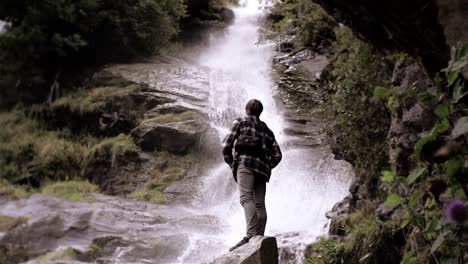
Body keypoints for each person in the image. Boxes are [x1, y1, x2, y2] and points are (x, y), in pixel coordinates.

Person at [222, 99, 282, 252]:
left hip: (245, 164)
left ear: (247, 109)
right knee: (260, 203)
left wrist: (232, 164)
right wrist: (268, 166)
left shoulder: (240, 122)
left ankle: (250, 236)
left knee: (246, 198)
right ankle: (259, 237)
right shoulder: (266, 129)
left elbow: (226, 145)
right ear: (260, 112)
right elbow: (277, 155)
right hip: (262, 170)